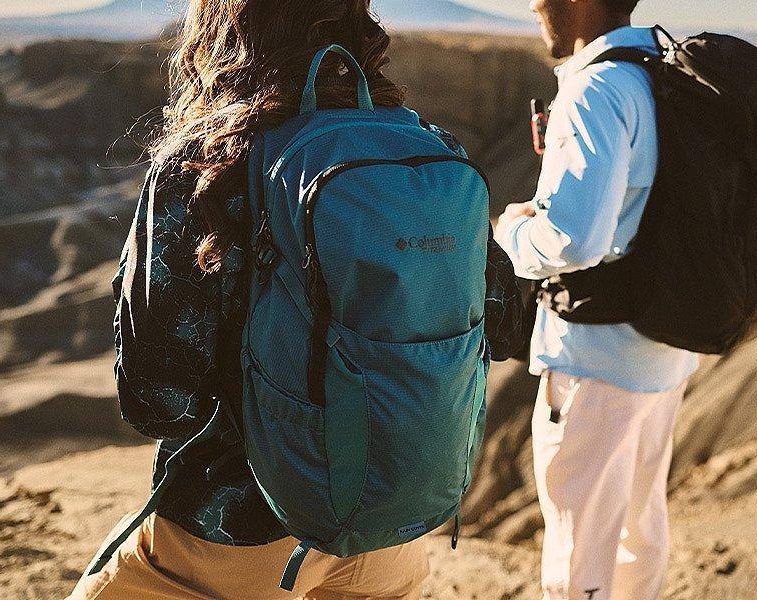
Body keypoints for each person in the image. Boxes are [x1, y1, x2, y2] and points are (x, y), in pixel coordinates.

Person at [68, 1, 524, 598]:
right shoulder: (421, 151)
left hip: (234, 533)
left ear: (223, 29)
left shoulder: (203, 165)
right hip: (389, 531)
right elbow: (506, 323)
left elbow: (156, 402)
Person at [495, 1, 700, 598]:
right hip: (663, 345)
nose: (534, 7)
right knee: (640, 530)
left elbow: (574, 239)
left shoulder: (597, 88)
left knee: (579, 547)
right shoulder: (660, 72)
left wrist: (510, 231)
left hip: (596, 357)